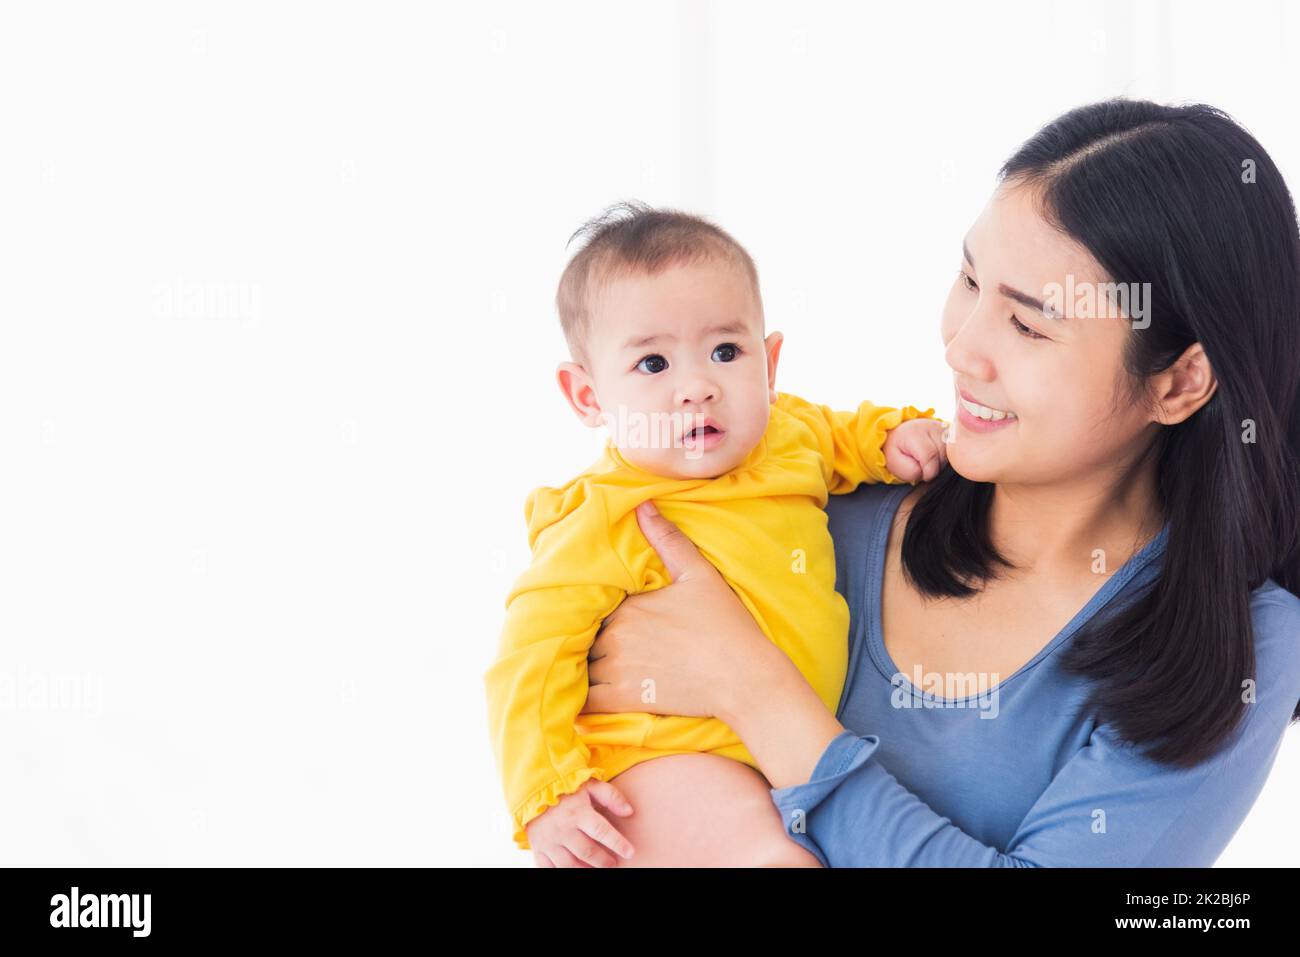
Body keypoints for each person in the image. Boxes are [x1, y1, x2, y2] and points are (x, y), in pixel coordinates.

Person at [584, 99, 1300, 866]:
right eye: (969, 279)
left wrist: (758, 694)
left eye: (1028, 325)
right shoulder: (809, 504)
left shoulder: (1233, 646)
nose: (962, 347)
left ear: (1181, 381)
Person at [483, 202, 948, 865]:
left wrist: (896, 438)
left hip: (774, 756)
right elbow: (528, 656)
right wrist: (546, 790)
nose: (697, 387)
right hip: (661, 758)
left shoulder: (788, 433)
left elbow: (848, 434)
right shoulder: (606, 514)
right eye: (652, 365)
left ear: (770, 362)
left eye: (725, 351)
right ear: (587, 396)